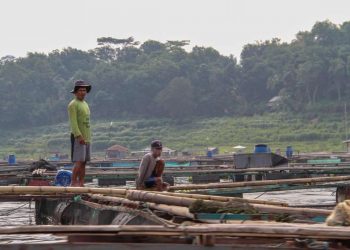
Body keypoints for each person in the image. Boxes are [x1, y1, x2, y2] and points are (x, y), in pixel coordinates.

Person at [68, 80, 92, 187]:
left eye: (84, 90)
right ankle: (73, 182)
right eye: (81, 90)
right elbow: (73, 122)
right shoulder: (73, 104)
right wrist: (78, 135)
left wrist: (87, 137)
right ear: (76, 92)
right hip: (79, 137)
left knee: (84, 162)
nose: (83, 92)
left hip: (87, 137)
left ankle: (81, 183)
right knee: (78, 161)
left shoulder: (85, 104)